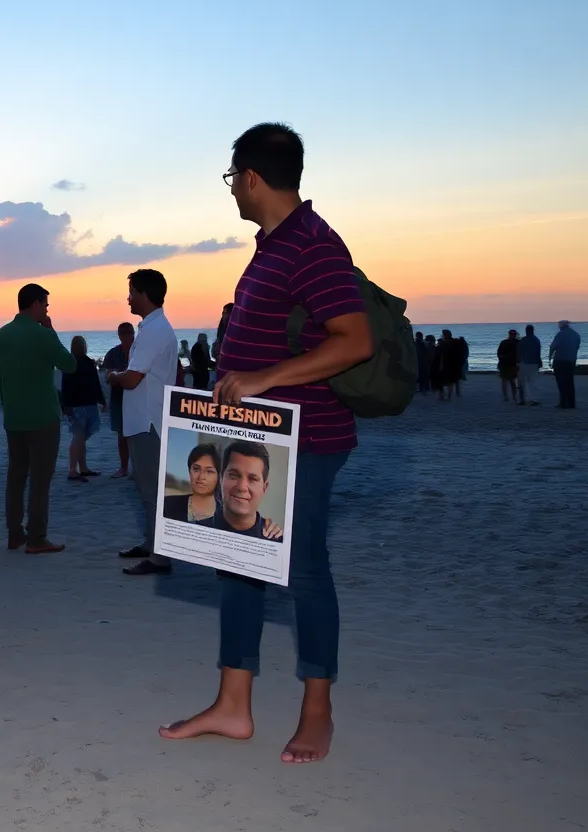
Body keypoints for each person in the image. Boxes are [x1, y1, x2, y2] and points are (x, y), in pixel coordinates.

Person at [159, 123, 373, 765]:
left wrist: (261, 379)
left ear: (251, 178)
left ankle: (317, 710)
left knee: (304, 570)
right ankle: (233, 705)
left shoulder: (313, 243)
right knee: (238, 561)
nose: (231, 193)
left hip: (305, 439)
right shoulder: (273, 245)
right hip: (258, 438)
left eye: (232, 181)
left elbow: (354, 340)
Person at [0, 283, 77, 553]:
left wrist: (9, 409)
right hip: (42, 416)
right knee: (40, 481)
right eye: (46, 305)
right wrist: (51, 331)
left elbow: (0, 380)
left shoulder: (1, 335)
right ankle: (36, 537)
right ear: (36, 305)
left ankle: (14, 532)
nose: (47, 310)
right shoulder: (42, 335)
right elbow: (70, 364)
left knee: (16, 477)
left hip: (14, 416)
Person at [107, 269, 179, 576]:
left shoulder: (154, 331)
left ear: (144, 293)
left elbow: (133, 378)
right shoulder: (153, 327)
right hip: (144, 420)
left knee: (152, 491)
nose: (128, 297)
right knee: (146, 487)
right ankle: (152, 544)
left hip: (150, 421)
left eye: (132, 291)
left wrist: (112, 376)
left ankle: (160, 557)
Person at [199, 442, 279, 540]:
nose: (242, 487)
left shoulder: (278, 544)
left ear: (264, 488)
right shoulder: (195, 532)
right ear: (220, 479)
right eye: (233, 475)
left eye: (252, 479)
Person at [61, 335, 106, 482]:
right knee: (78, 438)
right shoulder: (73, 363)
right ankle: (73, 470)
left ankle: (83, 468)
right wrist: (66, 405)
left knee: (80, 439)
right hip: (79, 406)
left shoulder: (85, 362)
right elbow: (66, 387)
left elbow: (95, 383)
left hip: (86, 404)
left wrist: (101, 400)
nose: (82, 347)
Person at [103, 323, 135, 478]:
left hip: (137, 397)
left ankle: (136, 469)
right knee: (122, 436)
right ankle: (123, 468)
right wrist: (120, 377)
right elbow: (108, 377)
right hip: (119, 398)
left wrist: (118, 376)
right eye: (125, 333)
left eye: (130, 333)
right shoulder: (113, 353)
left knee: (137, 436)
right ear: (120, 335)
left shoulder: (138, 352)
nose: (128, 336)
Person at [162, 443, 221, 523]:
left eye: (209, 471)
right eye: (196, 469)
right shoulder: (167, 505)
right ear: (189, 471)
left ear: (219, 476)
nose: (201, 477)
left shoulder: (228, 518)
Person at [550, 320, 581, 410]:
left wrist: (549, 358)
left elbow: (553, 347)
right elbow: (577, 347)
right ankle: (571, 403)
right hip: (571, 361)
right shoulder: (576, 335)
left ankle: (563, 402)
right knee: (570, 382)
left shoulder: (560, 334)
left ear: (561, 326)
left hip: (560, 361)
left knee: (561, 382)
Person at [517, 324, 542, 405]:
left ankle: (523, 399)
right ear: (533, 330)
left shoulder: (523, 340)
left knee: (522, 382)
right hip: (533, 363)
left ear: (526, 330)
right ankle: (533, 399)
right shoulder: (536, 340)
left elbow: (519, 352)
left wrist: (517, 362)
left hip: (524, 363)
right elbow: (538, 353)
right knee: (533, 382)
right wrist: (539, 362)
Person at [496, 330, 520, 402]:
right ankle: (513, 397)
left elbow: (499, 353)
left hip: (505, 364)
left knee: (505, 381)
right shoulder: (517, 343)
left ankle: (506, 396)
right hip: (511, 364)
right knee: (512, 381)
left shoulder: (504, 342)